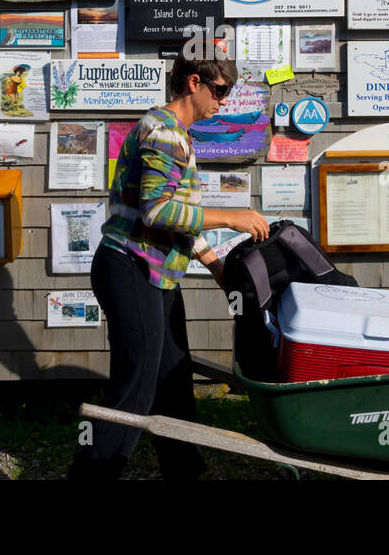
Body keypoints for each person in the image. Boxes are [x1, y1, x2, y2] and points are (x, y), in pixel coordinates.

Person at [68, 45, 269, 480]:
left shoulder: (177, 132)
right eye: (219, 89)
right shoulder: (163, 133)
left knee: (172, 376)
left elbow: (179, 221)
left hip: (154, 270)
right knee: (136, 385)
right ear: (193, 82)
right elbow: (157, 211)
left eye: (230, 91)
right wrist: (231, 217)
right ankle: (92, 474)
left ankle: (184, 471)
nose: (224, 100)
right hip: (130, 267)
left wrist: (217, 266)